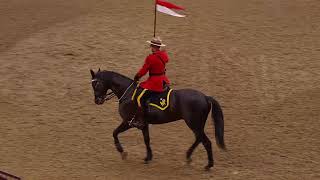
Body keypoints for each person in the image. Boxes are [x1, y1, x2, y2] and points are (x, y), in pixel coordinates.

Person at [131, 37, 170, 129]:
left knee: (139, 97)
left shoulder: (151, 58)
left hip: (154, 82)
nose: (151, 47)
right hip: (164, 80)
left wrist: (137, 76)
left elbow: (144, 70)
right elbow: (165, 60)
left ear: (154, 47)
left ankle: (141, 121)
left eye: (152, 46)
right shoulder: (164, 55)